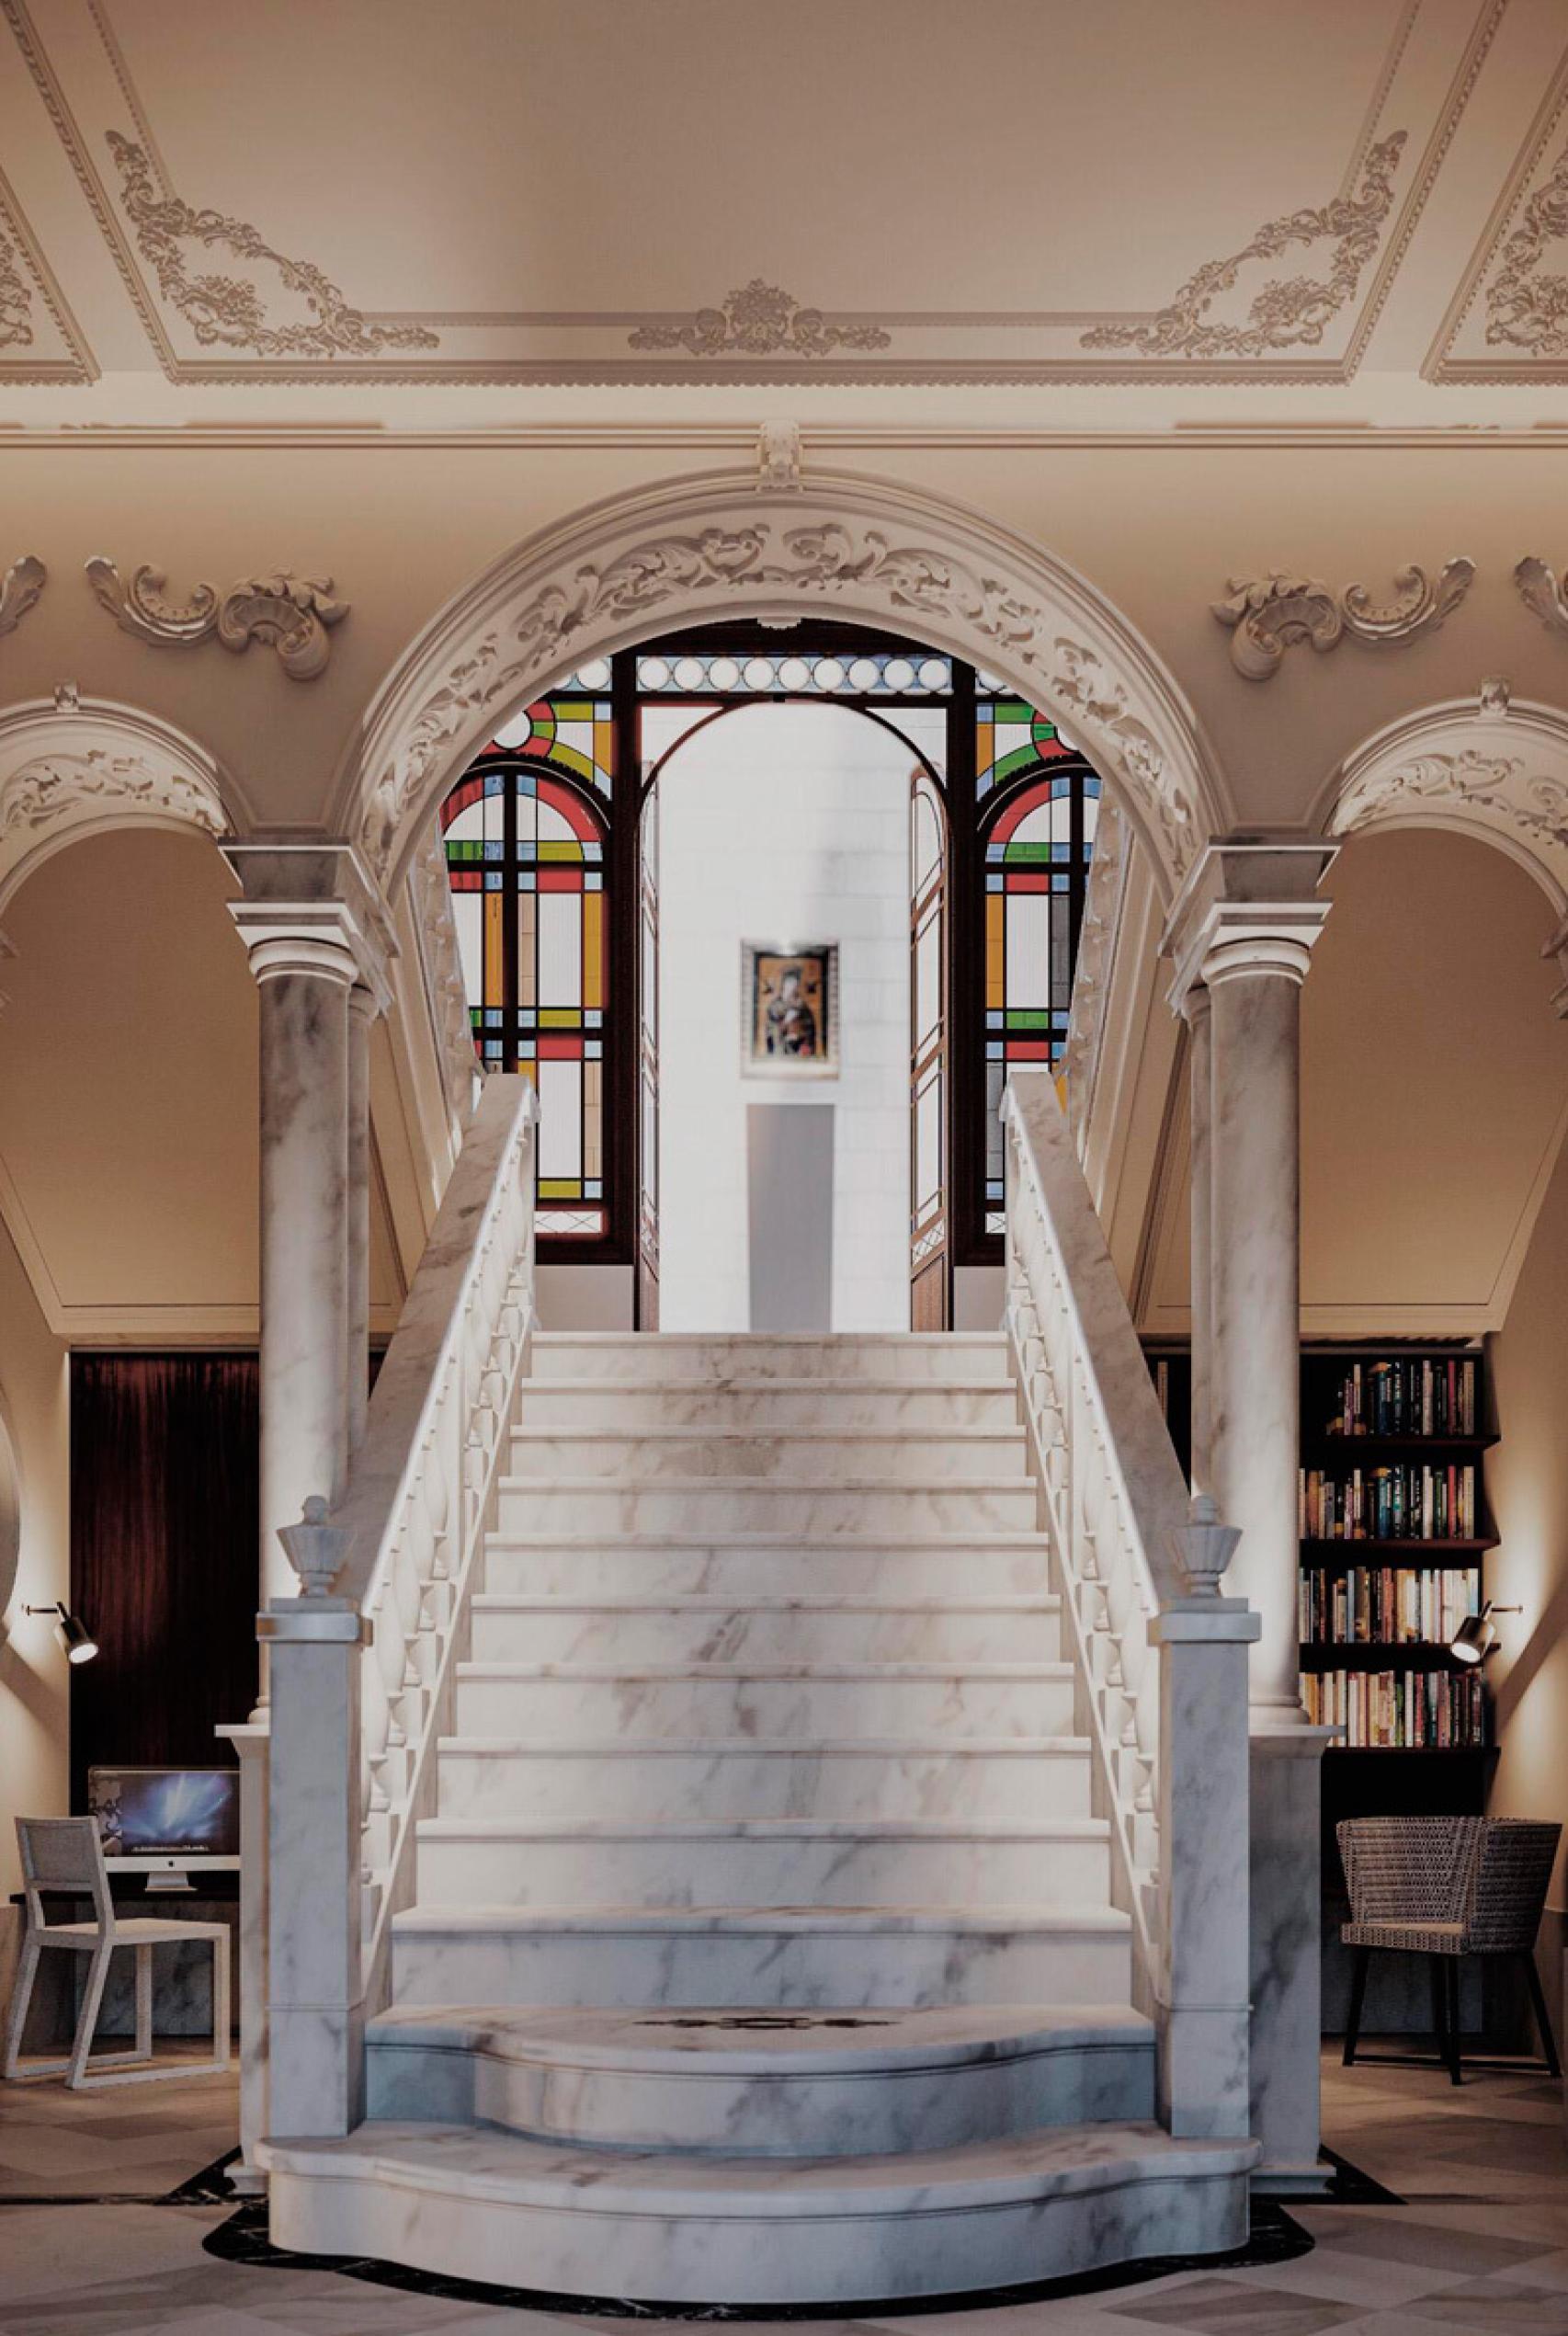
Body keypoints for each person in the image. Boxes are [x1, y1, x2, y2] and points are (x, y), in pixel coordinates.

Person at [766, 962, 818, 1057]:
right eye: (789, 982)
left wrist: (799, 1035)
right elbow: (771, 1031)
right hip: (781, 1049)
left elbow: (810, 1029)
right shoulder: (774, 1006)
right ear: (783, 984)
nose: (792, 986)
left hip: (798, 1050)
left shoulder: (802, 1006)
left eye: (795, 983)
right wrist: (785, 1023)